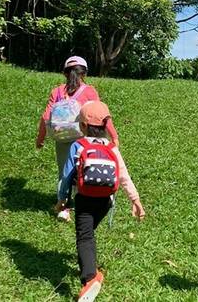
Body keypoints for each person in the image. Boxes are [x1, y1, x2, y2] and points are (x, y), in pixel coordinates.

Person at [54, 101, 145, 302]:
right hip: (106, 201)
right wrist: (135, 200)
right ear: (105, 126)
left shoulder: (77, 146)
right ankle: (91, 267)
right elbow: (123, 175)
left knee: (84, 237)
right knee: (88, 234)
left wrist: (62, 200)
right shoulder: (112, 147)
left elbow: (66, 176)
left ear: (83, 126)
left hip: (85, 199)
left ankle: (89, 279)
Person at [36, 56, 120, 222]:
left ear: (65, 73)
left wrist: (41, 138)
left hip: (62, 138)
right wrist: (114, 137)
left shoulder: (57, 91)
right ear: (84, 73)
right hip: (84, 139)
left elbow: (45, 117)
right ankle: (87, 201)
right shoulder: (89, 91)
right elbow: (100, 114)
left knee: (65, 172)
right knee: (84, 168)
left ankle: (64, 208)